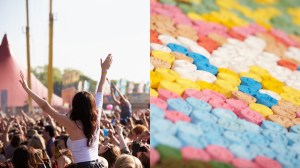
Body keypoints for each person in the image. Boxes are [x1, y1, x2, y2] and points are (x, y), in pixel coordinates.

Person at [19, 54, 113, 167]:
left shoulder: (72, 124)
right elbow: (100, 95)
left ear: (75, 106)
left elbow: (45, 106)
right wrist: (103, 72)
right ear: (91, 106)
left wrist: (27, 90)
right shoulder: (95, 118)